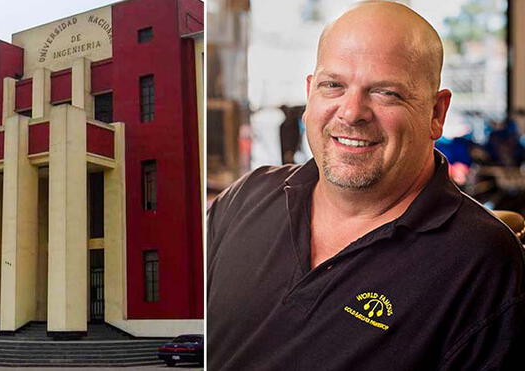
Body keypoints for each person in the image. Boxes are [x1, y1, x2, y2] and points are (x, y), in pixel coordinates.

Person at [207, 2, 525, 370]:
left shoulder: (480, 263)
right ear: (311, 93)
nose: (352, 111)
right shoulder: (245, 199)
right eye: (333, 85)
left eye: (386, 92)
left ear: (436, 114)